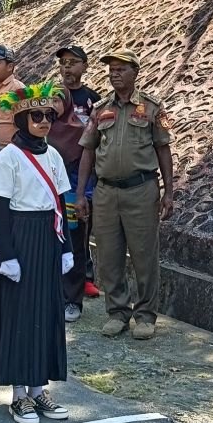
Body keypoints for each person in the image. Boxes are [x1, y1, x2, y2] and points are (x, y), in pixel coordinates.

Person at [0, 82, 73, 423]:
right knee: (20, 314)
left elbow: (61, 204)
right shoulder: (9, 157)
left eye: (49, 116)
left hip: (47, 235)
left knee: (45, 311)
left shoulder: (53, 155)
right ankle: (19, 394)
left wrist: (65, 247)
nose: (44, 121)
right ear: (22, 119)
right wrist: (5, 254)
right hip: (20, 235)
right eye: (37, 116)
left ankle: (39, 388)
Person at [77, 49, 174, 341]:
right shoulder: (100, 109)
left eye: (121, 69)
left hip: (141, 190)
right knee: (108, 254)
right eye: (111, 69)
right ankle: (117, 311)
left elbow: (163, 149)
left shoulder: (152, 108)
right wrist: (81, 194)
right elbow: (88, 151)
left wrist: (169, 191)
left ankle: (145, 315)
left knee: (144, 255)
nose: (114, 73)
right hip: (106, 192)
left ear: (135, 72)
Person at [49, 45, 102, 322]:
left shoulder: (94, 100)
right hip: (48, 191)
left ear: (84, 65)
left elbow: (92, 146)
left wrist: (83, 191)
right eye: (63, 63)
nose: (67, 68)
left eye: (72, 62)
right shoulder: (43, 121)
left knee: (75, 242)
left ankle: (74, 297)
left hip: (77, 187)